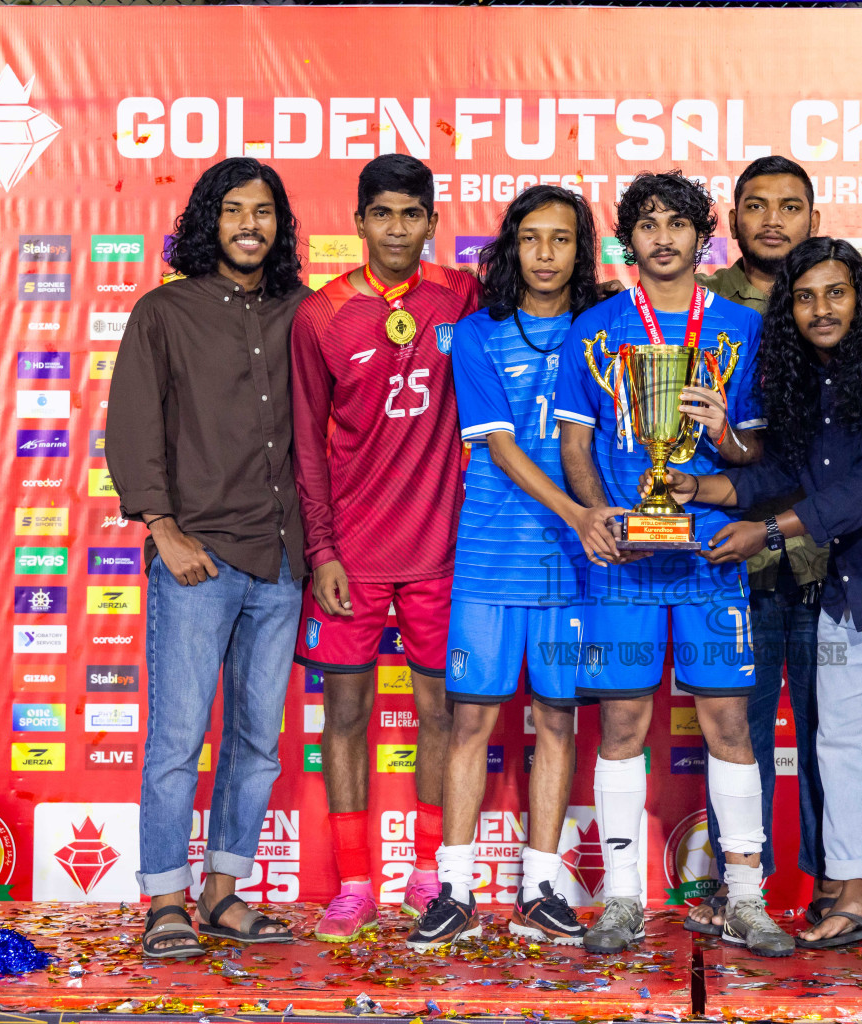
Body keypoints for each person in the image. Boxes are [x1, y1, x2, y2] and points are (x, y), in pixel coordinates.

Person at [651, 237, 862, 973]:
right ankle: (858, 894)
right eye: (804, 297)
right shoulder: (812, 377)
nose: (820, 309)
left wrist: (765, 532)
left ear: (860, 298)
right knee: (840, 742)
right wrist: (699, 490)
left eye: (835, 293)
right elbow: (787, 472)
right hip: (854, 579)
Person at [554, 171, 791, 957]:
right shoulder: (594, 328)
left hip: (709, 553)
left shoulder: (739, 328)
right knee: (621, 721)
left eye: (678, 224)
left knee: (728, 721)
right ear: (629, 239)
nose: (663, 237)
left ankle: (748, 899)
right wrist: (595, 515)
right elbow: (576, 445)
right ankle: (621, 899)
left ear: (702, 238)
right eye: (646, 224)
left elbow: (759, 455)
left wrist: (724, 431)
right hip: (623, 557)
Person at [688, 156, 862, 933]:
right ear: (730, 222)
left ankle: (841, 883)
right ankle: (740, 888)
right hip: (737, 557)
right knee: (742, 729)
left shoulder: (858, 295)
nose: (772, 220)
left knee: (839, 730)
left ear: (813, 220)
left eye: (790, 206)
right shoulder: (703, 307)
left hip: (836, 556)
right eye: (755, 206)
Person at [108, 156, 308, 957]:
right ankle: (165, 901)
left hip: (283, 557)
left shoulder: (304, 313)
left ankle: (224, 895)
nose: (250, 225)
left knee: (258, 740)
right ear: (208, 221)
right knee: (177, 738)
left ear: (279, 226)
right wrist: (163, 528)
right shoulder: (164, 312)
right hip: (199, 558)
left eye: (263, 212)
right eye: (233, 211)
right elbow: (131, 429)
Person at [410, 186, 616, 948]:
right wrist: (582, 516)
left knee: (558, 722)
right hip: (492, 563)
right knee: (470, 722)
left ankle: (540, 887)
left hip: (572, 569)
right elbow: (500, 447)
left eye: (561, 240)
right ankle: (455, 889)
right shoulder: (476, 335)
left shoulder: (605, 330)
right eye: (532, 239)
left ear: (580, 249)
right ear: (512, 247)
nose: (546, 254)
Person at [290, 153, 480, 942]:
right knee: (346, 714)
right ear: (359, 222)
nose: (397, 228)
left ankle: (431, 872)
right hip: (353, 558)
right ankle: (354, 882)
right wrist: (323, 551)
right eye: (383, 214)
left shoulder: (461, 295)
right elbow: (305, 443)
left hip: (440, 552)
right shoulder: (322, 314)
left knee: (439, 711)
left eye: (412, 214)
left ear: (432, 222)